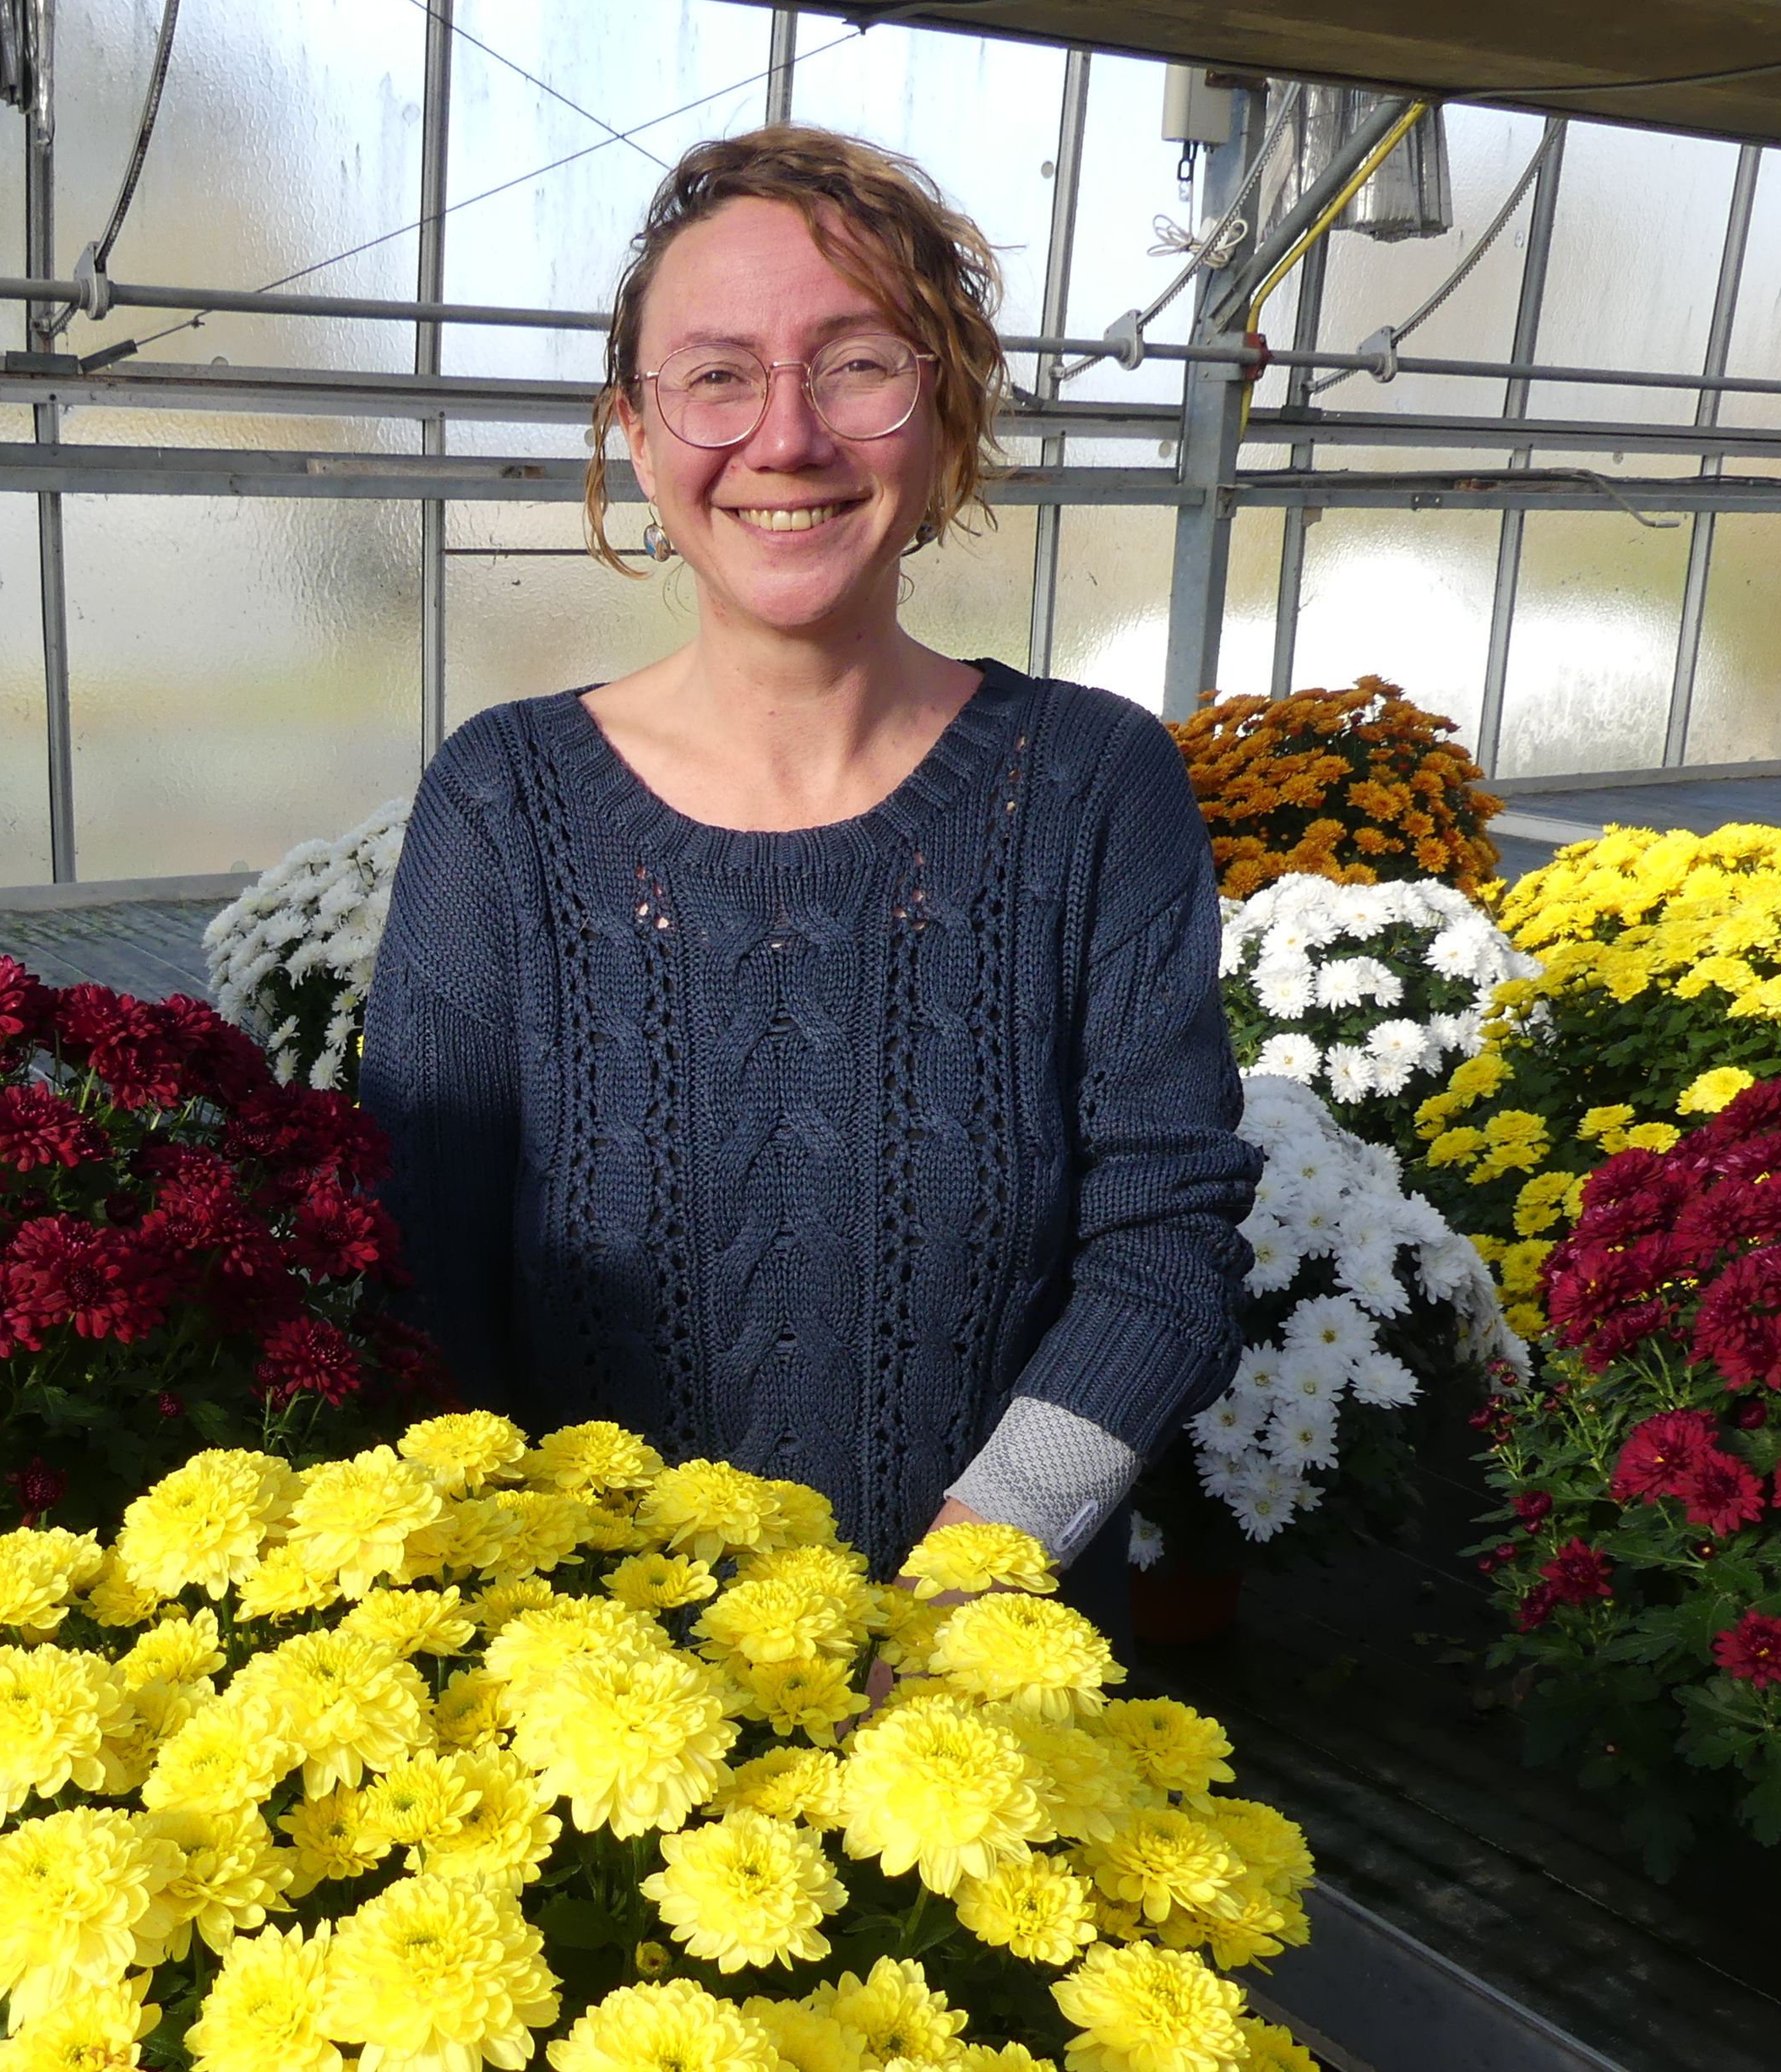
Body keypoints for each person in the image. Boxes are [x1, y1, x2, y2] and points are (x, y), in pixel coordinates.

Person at [359, 126, 1256, 1600]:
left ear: (947, 416)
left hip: (987, 1695)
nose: (785, 439)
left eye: (857, 364)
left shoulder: (1091, 786)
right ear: (637, 435)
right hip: (592, 1720)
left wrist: (964, 1587)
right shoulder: (507, 804)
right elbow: (418, 1269)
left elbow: (1162, 1242)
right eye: (716, 376)